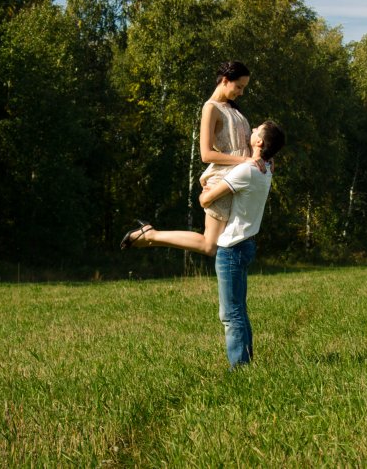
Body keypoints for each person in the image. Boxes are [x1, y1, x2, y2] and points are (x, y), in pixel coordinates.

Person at [120, 61, 261, 255]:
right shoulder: (210, 108)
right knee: (209, 246)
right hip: (223, 179)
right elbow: (206, 154)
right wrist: (245, 161)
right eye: (239, 87)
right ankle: (151, 235)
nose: (241, 92)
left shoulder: (234, 109)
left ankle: (151, 235)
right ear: (226, 81)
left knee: (227, 240)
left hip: (238, 179)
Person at [198, 121, 285, 368]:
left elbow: (206, 200)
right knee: (239, 309)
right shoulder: (266, 169)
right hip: (246, 245)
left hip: (231, 249)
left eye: (256, 130)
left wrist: (206, 187)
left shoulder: (245, 171)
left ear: (258, 142)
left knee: (231, 313)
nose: (251, 131)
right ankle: (246, 362)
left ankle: (240, 369)